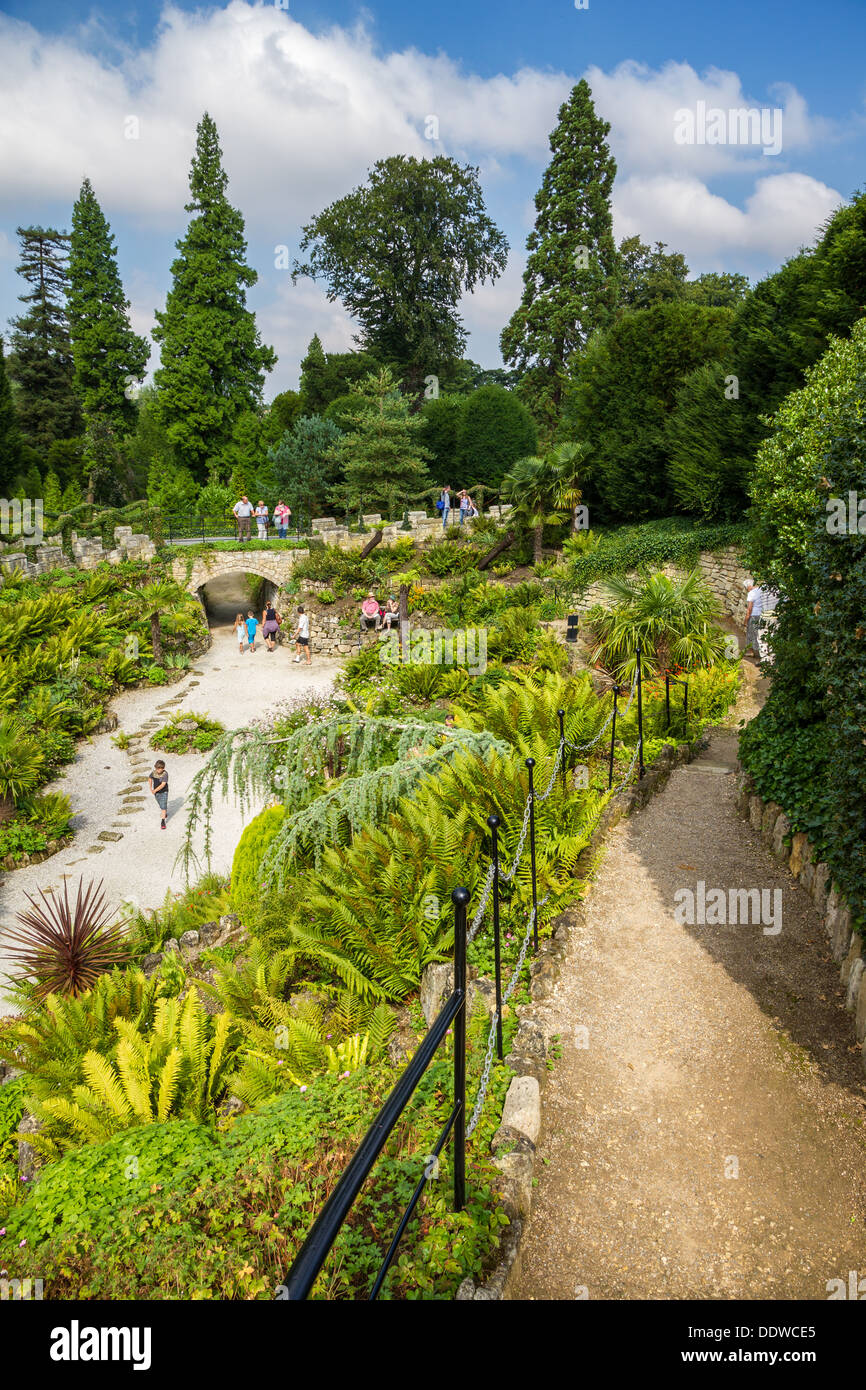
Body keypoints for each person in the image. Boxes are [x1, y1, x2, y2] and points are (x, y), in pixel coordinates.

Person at [148, 760, 169, 830]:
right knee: (161, 804)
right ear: (155, 767)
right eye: (158, 768)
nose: (159, 770)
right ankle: (164, 812)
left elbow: (163, 784)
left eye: (161, 768)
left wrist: (154, 790)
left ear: (163, 768)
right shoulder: (153, 773)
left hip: (164, 792)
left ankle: (163, 821)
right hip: (156, 793)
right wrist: (150, 787)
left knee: (163, 806)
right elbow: (150, 778)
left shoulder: (165, 774)